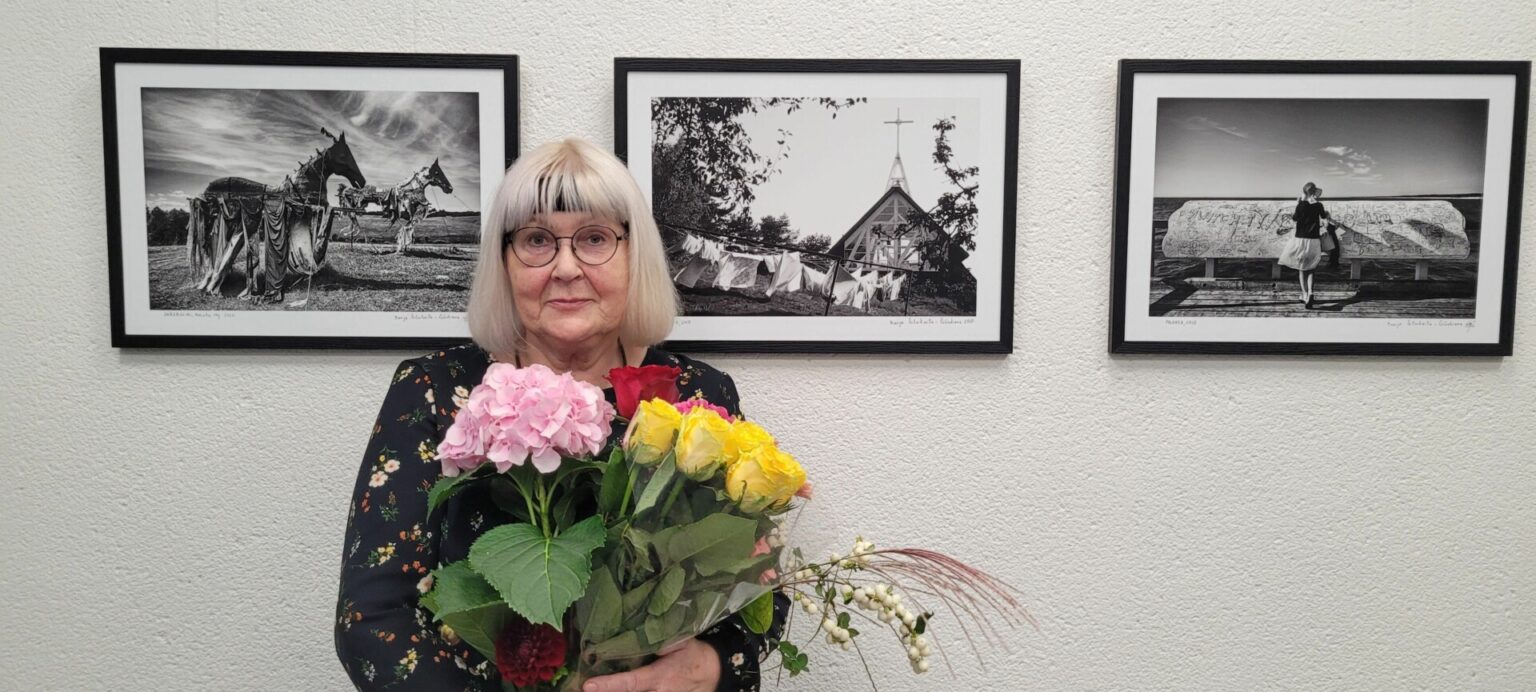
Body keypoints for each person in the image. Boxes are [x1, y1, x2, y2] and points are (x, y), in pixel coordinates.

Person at [335, 138, 789, 691]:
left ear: (635, 256)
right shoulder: (434, 391)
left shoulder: (697, 399)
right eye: (536, 240)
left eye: (595, 238)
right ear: (504, 262)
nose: (566, 268)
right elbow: (372, 619)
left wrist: (708, 669)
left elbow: (761, 594)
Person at [1279, 182, 1331, 309]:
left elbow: (1295, 218)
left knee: (1302, 269)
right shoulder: (1319, 205)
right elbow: (1324, 216)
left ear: (1304, 193)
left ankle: (1305, 295)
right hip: (1314, 240)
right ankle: (1311, 293)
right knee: (1311, 269)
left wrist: (1299, 203)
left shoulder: (1301, 205)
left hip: (1301, 240)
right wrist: (1327, 214)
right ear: (1313, 193)